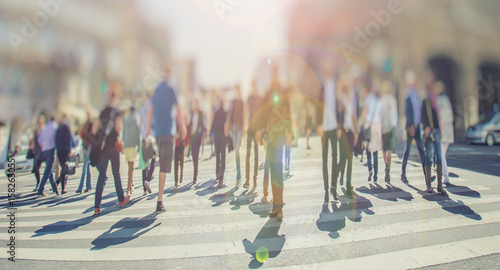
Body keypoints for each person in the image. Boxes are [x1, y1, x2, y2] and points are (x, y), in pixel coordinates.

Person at [146, 68, 184, 214]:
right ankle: (159, 202)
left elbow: (151, 109)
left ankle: (148, 178)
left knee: (161, 159)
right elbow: (178, 107)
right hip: (167, 132)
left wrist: (148, 129)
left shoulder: (157, 90)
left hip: (158, 133)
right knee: (164, 165)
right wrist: (183, 126)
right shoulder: (170, 89)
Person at [255, 64, 291, 221]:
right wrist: (259, 129)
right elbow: (263, 110)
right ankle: (276, 207)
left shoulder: (284, 90)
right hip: (271, 134)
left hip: (280, 135)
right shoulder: (269, 90)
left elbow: (288, 111)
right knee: (273, 170)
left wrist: (289, 133)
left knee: (277, 170)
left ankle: (279, 207)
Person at [94, 90, 130, 216]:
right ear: (115, 100)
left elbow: (94, 128)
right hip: (113, 148)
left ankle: (97, 206)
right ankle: (121, 199)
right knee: (116, 174)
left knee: (101, 176)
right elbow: (118, 128)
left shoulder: (103, 111)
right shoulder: (117, 112)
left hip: (103, 149)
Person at [421, 72, 447, 195]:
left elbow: (439, 116)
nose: (432, 85)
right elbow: (422, 116)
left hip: (437, 131)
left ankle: (440, 185)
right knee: (428, 157)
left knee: (439, 157)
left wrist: (441, 129)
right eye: (430, 83)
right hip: (429, 131)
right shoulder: (425, 99)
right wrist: (425, 127)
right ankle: (429, 185)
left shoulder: (436, 99)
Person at [319, 62, 341, 202]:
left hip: (334, 127)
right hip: (324, 128)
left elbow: (339, 108)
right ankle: (326, 189)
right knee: (325, 158)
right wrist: (318, 124)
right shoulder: (322, 87)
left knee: (334, 156)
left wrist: (339, 126)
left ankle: (334, 186)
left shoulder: (336, 87)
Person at [401, 70, 426, 183]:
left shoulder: (417, 95)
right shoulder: (408, 95)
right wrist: (410, 125)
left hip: (417, 126)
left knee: (422, 150)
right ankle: (403, 174)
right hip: (410, 127)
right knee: (407, 150)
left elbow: (419, 111)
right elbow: (407, 111)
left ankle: (427, 176)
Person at [337, 78, 359, 198]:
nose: (346, 91)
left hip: (350, 132)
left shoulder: (350, 102)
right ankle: (335, 177)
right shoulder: (340, 101)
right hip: (343, 133)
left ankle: (348, 184)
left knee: (350, 158)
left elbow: (354, 117)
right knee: (343, 159)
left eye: (347, 89)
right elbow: (338, 116)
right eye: (344, 89)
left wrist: (356, 133)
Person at [360, 84, 382, 183]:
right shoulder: (379, 100)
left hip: (369, 125)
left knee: (368, 149)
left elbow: (365, 111)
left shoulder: (368, 98)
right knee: (375, 151)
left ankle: (370, 170)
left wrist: (361, 123)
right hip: (377, 125)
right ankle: (375, 175)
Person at [435, 81, 454, 184]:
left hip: (442, 130)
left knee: (441, 155)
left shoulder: (440, 100)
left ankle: (445, 175)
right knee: (442, 154)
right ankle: (443, 173)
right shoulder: (446, 99)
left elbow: (439, 116)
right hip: (448, 130)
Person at [244, 79, 261, 190]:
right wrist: (245, 125)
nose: (253, 87)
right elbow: (246, 111)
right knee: (248, 154)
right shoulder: (249, 97)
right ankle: (247, 180)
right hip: (250, 127)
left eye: (254, 85)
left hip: (256, 128)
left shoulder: (259, 98)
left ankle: (254, 179)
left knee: (255, 154)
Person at [380, 80, 398, 183]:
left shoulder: (382, 100)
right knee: (390, 150)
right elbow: (395, 113)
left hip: (384, 128)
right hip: (391, 127)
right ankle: (389, 170)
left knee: (384, 150)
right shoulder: (392, 99)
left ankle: (386, 165)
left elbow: (381, 115)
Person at [37, 117, 59, 197]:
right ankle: (40, 189)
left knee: (49, 171)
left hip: (44, 150)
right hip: (51, 149)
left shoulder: (45, 128)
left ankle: (55, 188)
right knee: (47, 171)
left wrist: (44, 146)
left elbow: (39, 141)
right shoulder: (55, 127)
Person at [139, 94, 156, 196]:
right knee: (153, 158)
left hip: (143, 137)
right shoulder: (152, 107)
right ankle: (148, 179)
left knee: (144, 162)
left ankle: (144, 189)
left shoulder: (141, 109)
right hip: (151, 136)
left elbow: (140, 124)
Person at [55, 114, 75, 194]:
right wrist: (71, 148)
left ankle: (62, 188)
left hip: (59, 150)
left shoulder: (57, 128)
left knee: (63, 168)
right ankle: (56, 183)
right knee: (65, 169)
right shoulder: (66, 127)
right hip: (65, 150)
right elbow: (69, 138)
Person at [123, 107, 140, 196]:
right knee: (131, 168)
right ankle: (128, 188)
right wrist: (139, 144)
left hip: (126, 144)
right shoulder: (135, 119)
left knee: (129, 166)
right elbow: (137, 132)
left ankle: (130, 184)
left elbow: (123, 132)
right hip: (132, 144)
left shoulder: (125, 120)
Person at [211, 97, 228, 187]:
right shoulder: (225, 113)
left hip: (217, 137)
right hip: (223, 136)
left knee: (218, 155)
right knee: (223, 156)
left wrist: (210, 133)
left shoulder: (216, 113)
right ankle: (221, 176)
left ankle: (217, 173)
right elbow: (227, 125)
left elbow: (213, 124)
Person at [230, 85, 245, 187]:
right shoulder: (233, 101)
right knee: (236, 151)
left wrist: (244, 129)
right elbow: (229, 115)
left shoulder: (242, 102)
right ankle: (238, 176)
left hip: (239, 127)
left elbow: (244, 116)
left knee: (237, 150)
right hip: (233, 127)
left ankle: (239, 176)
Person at [76, 111, 93, 193]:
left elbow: (89, 137)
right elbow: (83, 136)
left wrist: (85, 147)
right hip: (85, 145)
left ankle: (80, 187)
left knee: (84, 167)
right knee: (87, 166)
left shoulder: (90, 124)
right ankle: (88, 186)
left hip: (88, 146)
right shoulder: (85, 124)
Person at [189, 99, 205, 184]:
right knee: (193, 154)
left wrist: (202, 135)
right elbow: (190, 123)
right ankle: (195, 172)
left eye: (195, 103)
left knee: (196, 155)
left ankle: (195, 176)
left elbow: (202, 125)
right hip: (192, 136)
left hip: (198, 137)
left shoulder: (200, 113)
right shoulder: (192, 113)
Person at [31, 114, 46, 192]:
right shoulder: (36, 130)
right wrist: (33, 149)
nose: (39, 123)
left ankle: (53, 183)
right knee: (36, 168)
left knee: (48, 169)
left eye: (40, 122)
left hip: (42, 151)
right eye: (38, 122)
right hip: (37, 151)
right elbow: (34, 140)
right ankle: (38, 183)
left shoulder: (44, 130)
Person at [174, 108, 189, 186]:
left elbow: (187, 126)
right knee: (176, 161)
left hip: (182, 141)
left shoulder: (183, 116)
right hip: (176, 142)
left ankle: (181, 174)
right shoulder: (174, 117)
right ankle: (176, 179)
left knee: (181, 159)